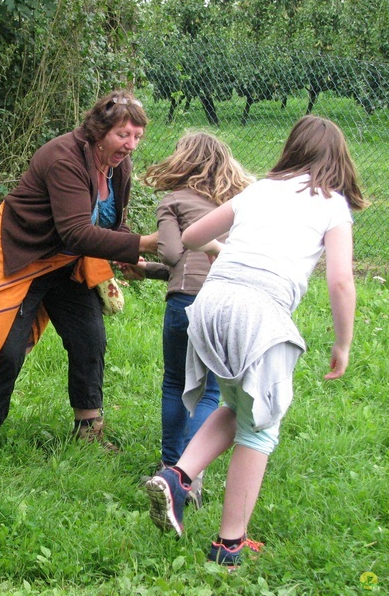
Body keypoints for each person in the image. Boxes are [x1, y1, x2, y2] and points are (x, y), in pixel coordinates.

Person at [144, 115, 368, 570]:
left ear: (292, 150)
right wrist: (343, 344)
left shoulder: (260, 190)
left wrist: (229, 257)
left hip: (209, 304)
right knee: (260, 428)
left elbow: (190, 237)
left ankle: (177, 475)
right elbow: (342, 281)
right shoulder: (332, 205)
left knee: (235, 404)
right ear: (339, 162)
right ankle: (230, 545)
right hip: (258, 315)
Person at [0, 89, 158, 462]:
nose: (130, 145)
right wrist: (143, 243)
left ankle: (88, 428)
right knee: (6, 347)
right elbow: (76, 231)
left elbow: (105, 223)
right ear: (99, 130)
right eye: (123, 135)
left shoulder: (117, 166)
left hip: (68, 263)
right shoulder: (62, 158)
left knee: (90, 339)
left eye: (137, 137)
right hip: (23, 256)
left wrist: (130, 254)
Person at [120, 131, 254, 508]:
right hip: (229, 304)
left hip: (186, 304)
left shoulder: (174, 200)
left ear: (183, 161)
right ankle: (189, 476)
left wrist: (148, 257)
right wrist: (146, 271)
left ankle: (170, 467)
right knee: (211, 392)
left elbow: (176, 256)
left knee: (177, 383)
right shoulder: (240, 205)